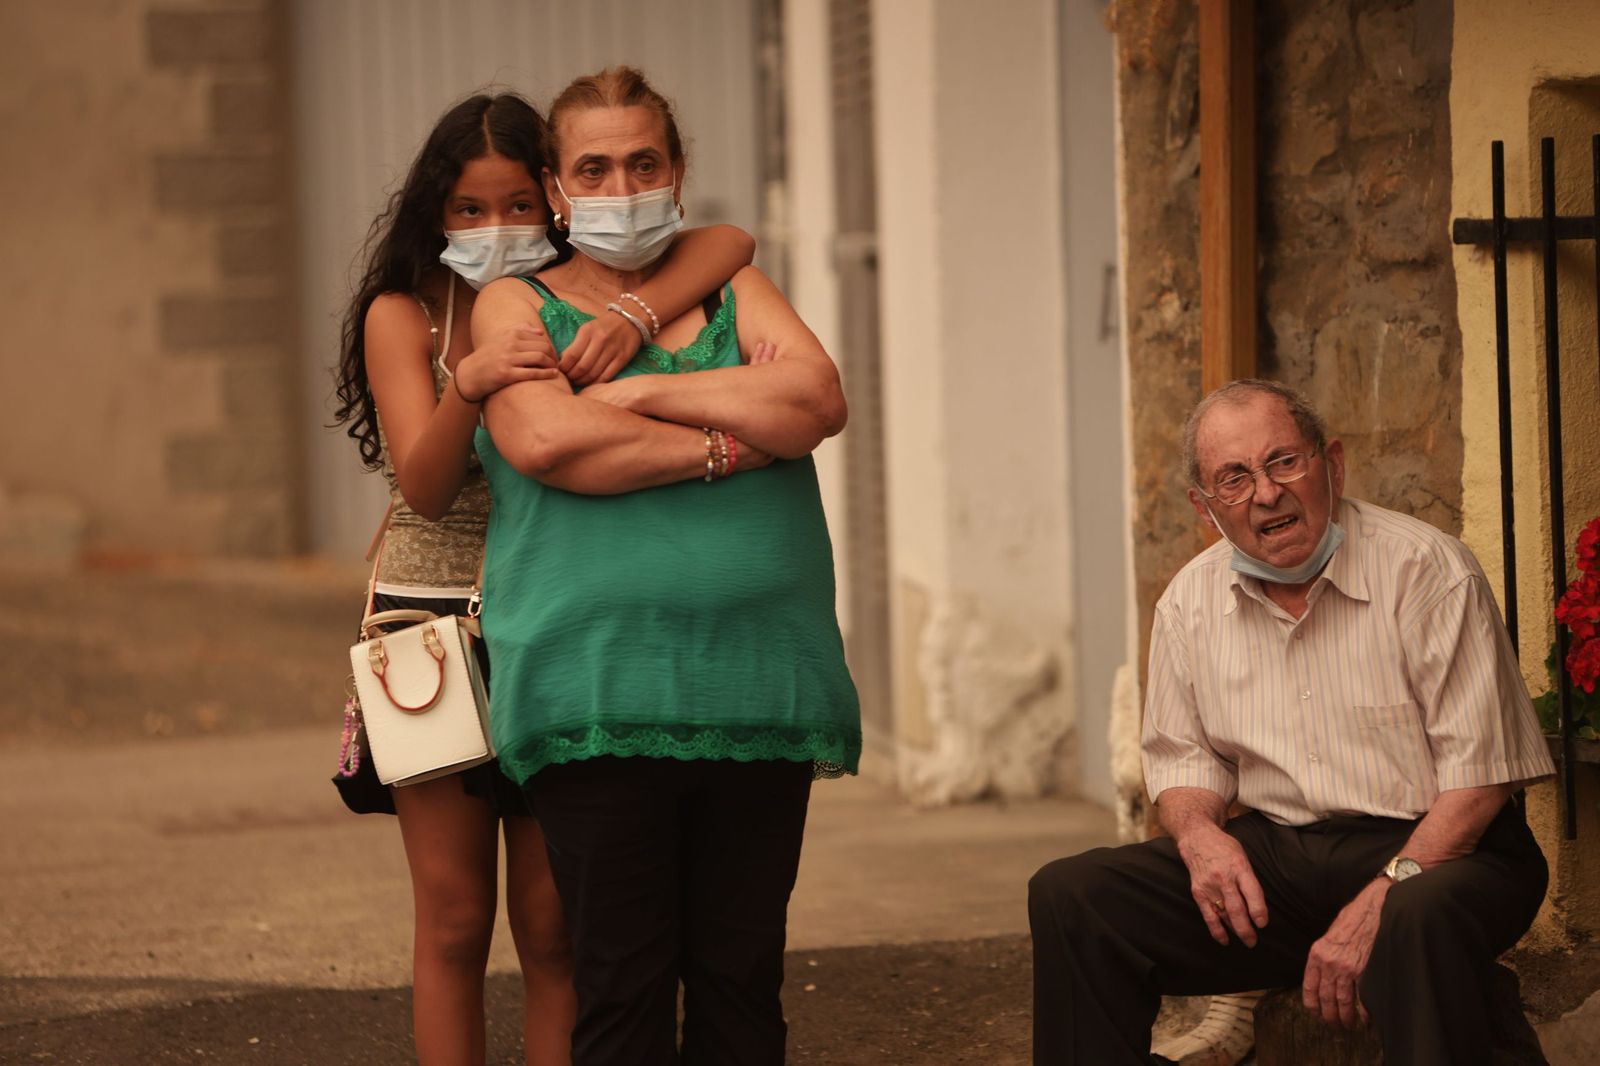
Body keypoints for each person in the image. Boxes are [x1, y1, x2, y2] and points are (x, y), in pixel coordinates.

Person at [330, 90, 756, 1066]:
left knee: (556, 924)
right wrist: (471, 381)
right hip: (425, 628)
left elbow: (730, 238)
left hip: (552, 615)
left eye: (519, 204)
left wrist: (638, 312)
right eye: (469, 209)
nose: (495, 229)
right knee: (451, 919)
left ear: (557, 200)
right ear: (432, 213)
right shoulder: (407, 314)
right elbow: (426, 488)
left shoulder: (590, 295)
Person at [470, 66, 861, 1066]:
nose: (619, 186)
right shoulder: (512, 305)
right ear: (557, 192)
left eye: (642, 162)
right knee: (623, 990)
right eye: (593, 168)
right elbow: (551, 444)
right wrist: (734, 434)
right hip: (599, 687)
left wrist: (640, 398)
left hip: (760, 687)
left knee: (742, 987)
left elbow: (815, 399)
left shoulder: (731, 283)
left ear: (677, 171)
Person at [1028, 379, 1555, 1066]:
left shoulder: (1427, 570)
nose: (1267, 493)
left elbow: (1480, 786)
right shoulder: (1190, 600)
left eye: (1285, 462)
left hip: (1447, 854)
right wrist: (1199, 838)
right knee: (1074, 897)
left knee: (1414, 918)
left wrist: (1383, 895)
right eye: (1235, 478)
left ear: (1331, 465)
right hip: (1281, 860)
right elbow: (1184, 761)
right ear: (1205, 505)